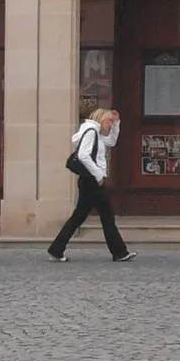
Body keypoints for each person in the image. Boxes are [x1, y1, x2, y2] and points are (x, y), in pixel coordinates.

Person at [48, 108, 134, 263]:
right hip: (92, 181)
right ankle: (119, 252)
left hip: (89, 180)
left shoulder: (96, 134)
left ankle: (56, 249)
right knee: (107, 215)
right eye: (109, 121)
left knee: (79, 216)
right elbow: (83, 155)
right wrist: (98, 175)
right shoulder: (91, 132)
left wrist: (117, 124)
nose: (110, 124)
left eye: (111, 122)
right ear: (101, 119)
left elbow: (111, 142)